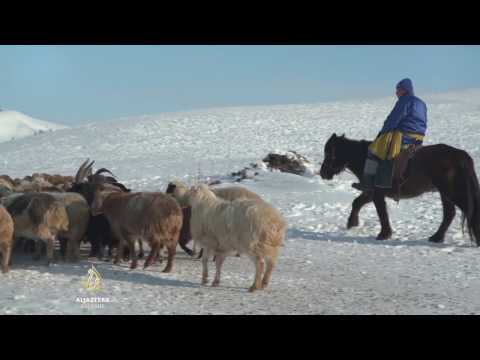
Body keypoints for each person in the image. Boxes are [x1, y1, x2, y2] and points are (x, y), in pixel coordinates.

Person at [352, 78, 428, 192]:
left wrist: (382, 133)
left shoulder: (404, 101)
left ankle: (367, 183)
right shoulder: (421, 103)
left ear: (404, 90)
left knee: (373, 150)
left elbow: (393, 119)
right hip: (418, 138)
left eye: (398, 89)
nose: (396, 93)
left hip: (404, 137)